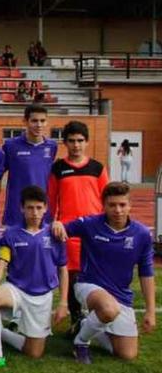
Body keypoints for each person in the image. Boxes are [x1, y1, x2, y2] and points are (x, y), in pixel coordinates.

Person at [65, 182, 155, 363]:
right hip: (88, 285)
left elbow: (146, 273)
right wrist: (58, 225)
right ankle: (81, 342)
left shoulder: (142, 234)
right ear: (103, 205)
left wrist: (150, 311)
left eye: (122, 205)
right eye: (112, 205)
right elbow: (61, 230)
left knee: (127, 354)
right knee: (108, 309)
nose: (118, 210)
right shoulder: (90, 224)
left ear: (130, 205)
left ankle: (86, 324)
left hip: (120, 295)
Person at [0, 186, 68, 364]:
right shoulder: (11, 234)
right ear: (22, 208)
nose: (34, 212)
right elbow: (2, 262)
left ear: (45, 208)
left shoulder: (55, 234)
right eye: (30, 208)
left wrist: (63, 302)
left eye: (38, 207)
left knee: (34, 352)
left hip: (43, 296)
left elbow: (63, 269)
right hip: (17, 289)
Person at [48, 120, 108, 335]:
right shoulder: (58, 168)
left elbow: (107, 200)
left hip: (94, 232)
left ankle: (97, 320)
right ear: (65, 143)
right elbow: (51, 201)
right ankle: (76, 319)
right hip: (68, 232)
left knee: (95, 274)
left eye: (80, 141)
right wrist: (52, 224)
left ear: (87, 142)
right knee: (72, 276)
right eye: (71, 141)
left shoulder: (97, 168)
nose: (76, 145)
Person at [1, 104, 58, 228]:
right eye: (34, 121)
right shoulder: (11, 146)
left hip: (41, 212)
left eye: (42, 121)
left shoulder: (52, 146)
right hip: (16, 212)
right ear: (25, 121)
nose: (39, 125)